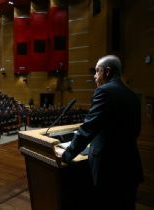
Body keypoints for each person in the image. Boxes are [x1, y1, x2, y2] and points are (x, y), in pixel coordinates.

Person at [58, 55, 143, 210]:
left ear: (107, 71)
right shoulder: (133, 96)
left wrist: (67, 155)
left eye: (97, 71)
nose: (95, 76)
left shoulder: (104, 91)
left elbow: (88, 129)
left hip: (110, 170)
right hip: (131, 166)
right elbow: (135, 131)